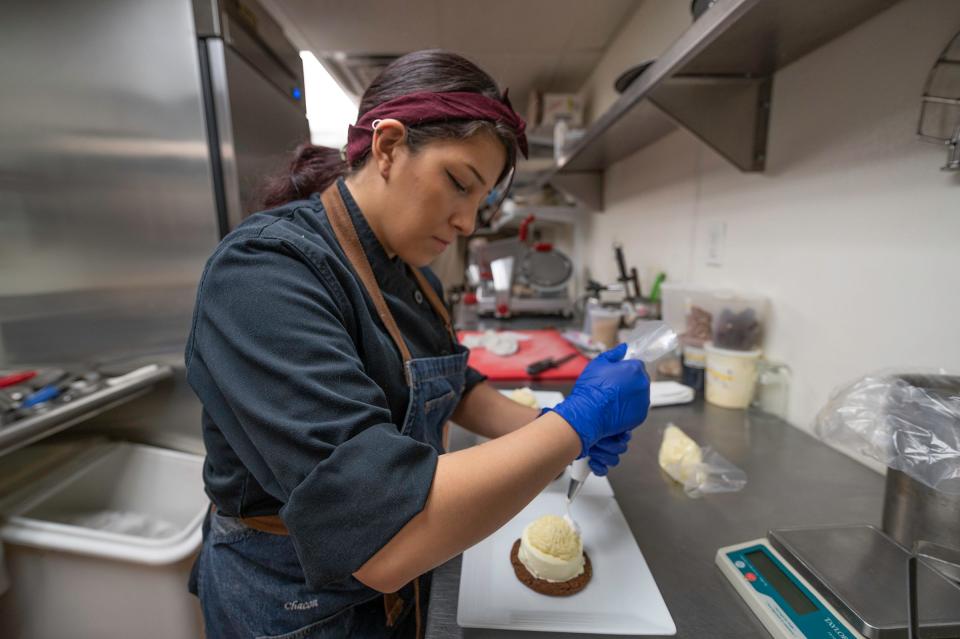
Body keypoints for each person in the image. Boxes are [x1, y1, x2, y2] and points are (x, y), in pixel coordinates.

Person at [184, 49, 650, 639]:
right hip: (293, 599)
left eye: (479, 204)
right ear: (387, 146)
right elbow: (381, 536)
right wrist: (576, 426)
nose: (467, 224)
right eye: (459, 183)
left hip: (403, 587)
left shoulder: (411, 275)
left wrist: (551, 426)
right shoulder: (263, 274)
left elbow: (454, 385)